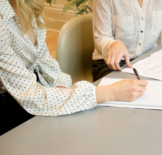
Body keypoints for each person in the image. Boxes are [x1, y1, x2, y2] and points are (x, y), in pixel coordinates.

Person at [0, 0, 148, 136]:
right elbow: (31, 96)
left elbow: (44, 61)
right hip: (11, 103)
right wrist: (109, 93)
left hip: (33, 89)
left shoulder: (29, 5)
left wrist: (62, 88)